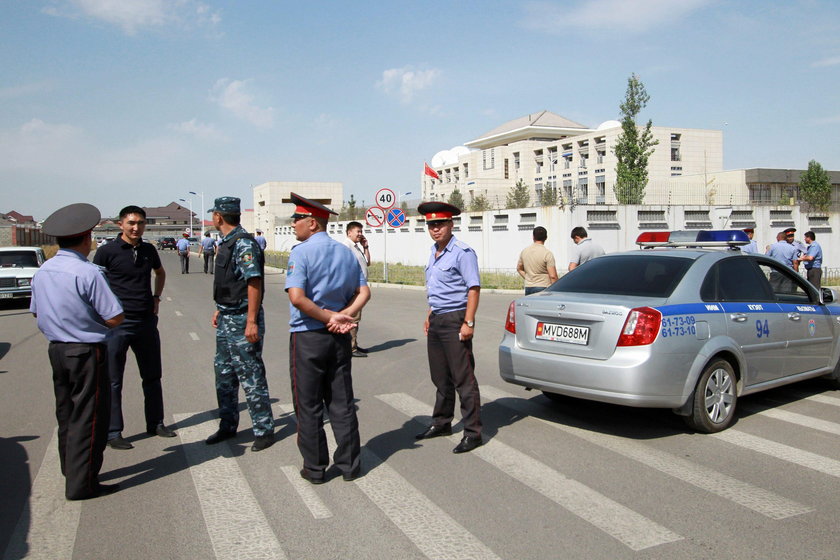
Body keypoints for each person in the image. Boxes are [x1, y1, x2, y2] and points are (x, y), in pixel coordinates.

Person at [30, 203, 125, 499]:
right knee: (90, 417)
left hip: (57, 349)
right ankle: (82, 484)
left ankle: (70, 470)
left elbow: (36, 312)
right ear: (86, 238)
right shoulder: (88, 273)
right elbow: (114, 317)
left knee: (67, 413)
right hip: (85, 351)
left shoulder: (44, 270)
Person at [285, 193, 370, 483]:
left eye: (296, 219)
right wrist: (344, 315)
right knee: (341, 400)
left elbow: (297, 298)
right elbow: (364, 292)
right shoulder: (347, 252)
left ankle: (315, 468)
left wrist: (329, 317)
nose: (293, 224)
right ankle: (349, 465)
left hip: (308, 336)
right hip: (339, 338)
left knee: (308, 405)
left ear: (312, 223)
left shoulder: (301, 252)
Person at [93, 205, 175, 450]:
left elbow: (160, 273)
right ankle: (113, 432)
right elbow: (96, 284)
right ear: (120, 224)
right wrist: (105, 313)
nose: (136, 227)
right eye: (131, 223)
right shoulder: (107, 252)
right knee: (113, 380)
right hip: (118, 324)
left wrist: (156, 298)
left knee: (152, 376)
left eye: (140, 223)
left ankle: (156, 423)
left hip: (145, 322)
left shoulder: (149, 250)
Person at [205, 197, 275, 452]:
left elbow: (253, 282)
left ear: (218, 217)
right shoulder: (227, 242)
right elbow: (231, 282)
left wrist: (251, 321)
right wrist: (219, 309)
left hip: (242, 318)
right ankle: (228, 425)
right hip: (226, 316)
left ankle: (264, 429)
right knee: (223, 372)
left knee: (250, 373)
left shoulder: (243, 243)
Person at [415, 201, 483, 454]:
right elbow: (437, 289)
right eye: (431, 225)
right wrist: (429, 314)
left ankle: (473, 432)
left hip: (456, 319)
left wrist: (469, 322)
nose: (435, 229)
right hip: (437, 319)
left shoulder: (462, 252)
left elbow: (473, 288)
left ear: (451, 224)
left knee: (463, 378)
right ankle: (442, 422)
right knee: (440, 377)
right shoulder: (434, 252)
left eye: (440, 224)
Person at [341, 221, 371, 357]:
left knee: (356, 318)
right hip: (353, 289)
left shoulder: (356, 246)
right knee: (353, 319)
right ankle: (351, 348)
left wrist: (366, 247)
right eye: (357, 231)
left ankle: (354, 344)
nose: (360, 234)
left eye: (361, 231)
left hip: (360, 287)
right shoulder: (346, 247)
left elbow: (367, 262)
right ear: (349, 233)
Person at [517, 226, 558, 294]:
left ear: (533, 237)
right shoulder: (547, 253)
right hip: (544, 287)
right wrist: (556, 290)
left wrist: (528, 278)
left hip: (529, 287)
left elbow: (519, 269)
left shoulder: (524, 251)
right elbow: (553, 276)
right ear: (546, 237)